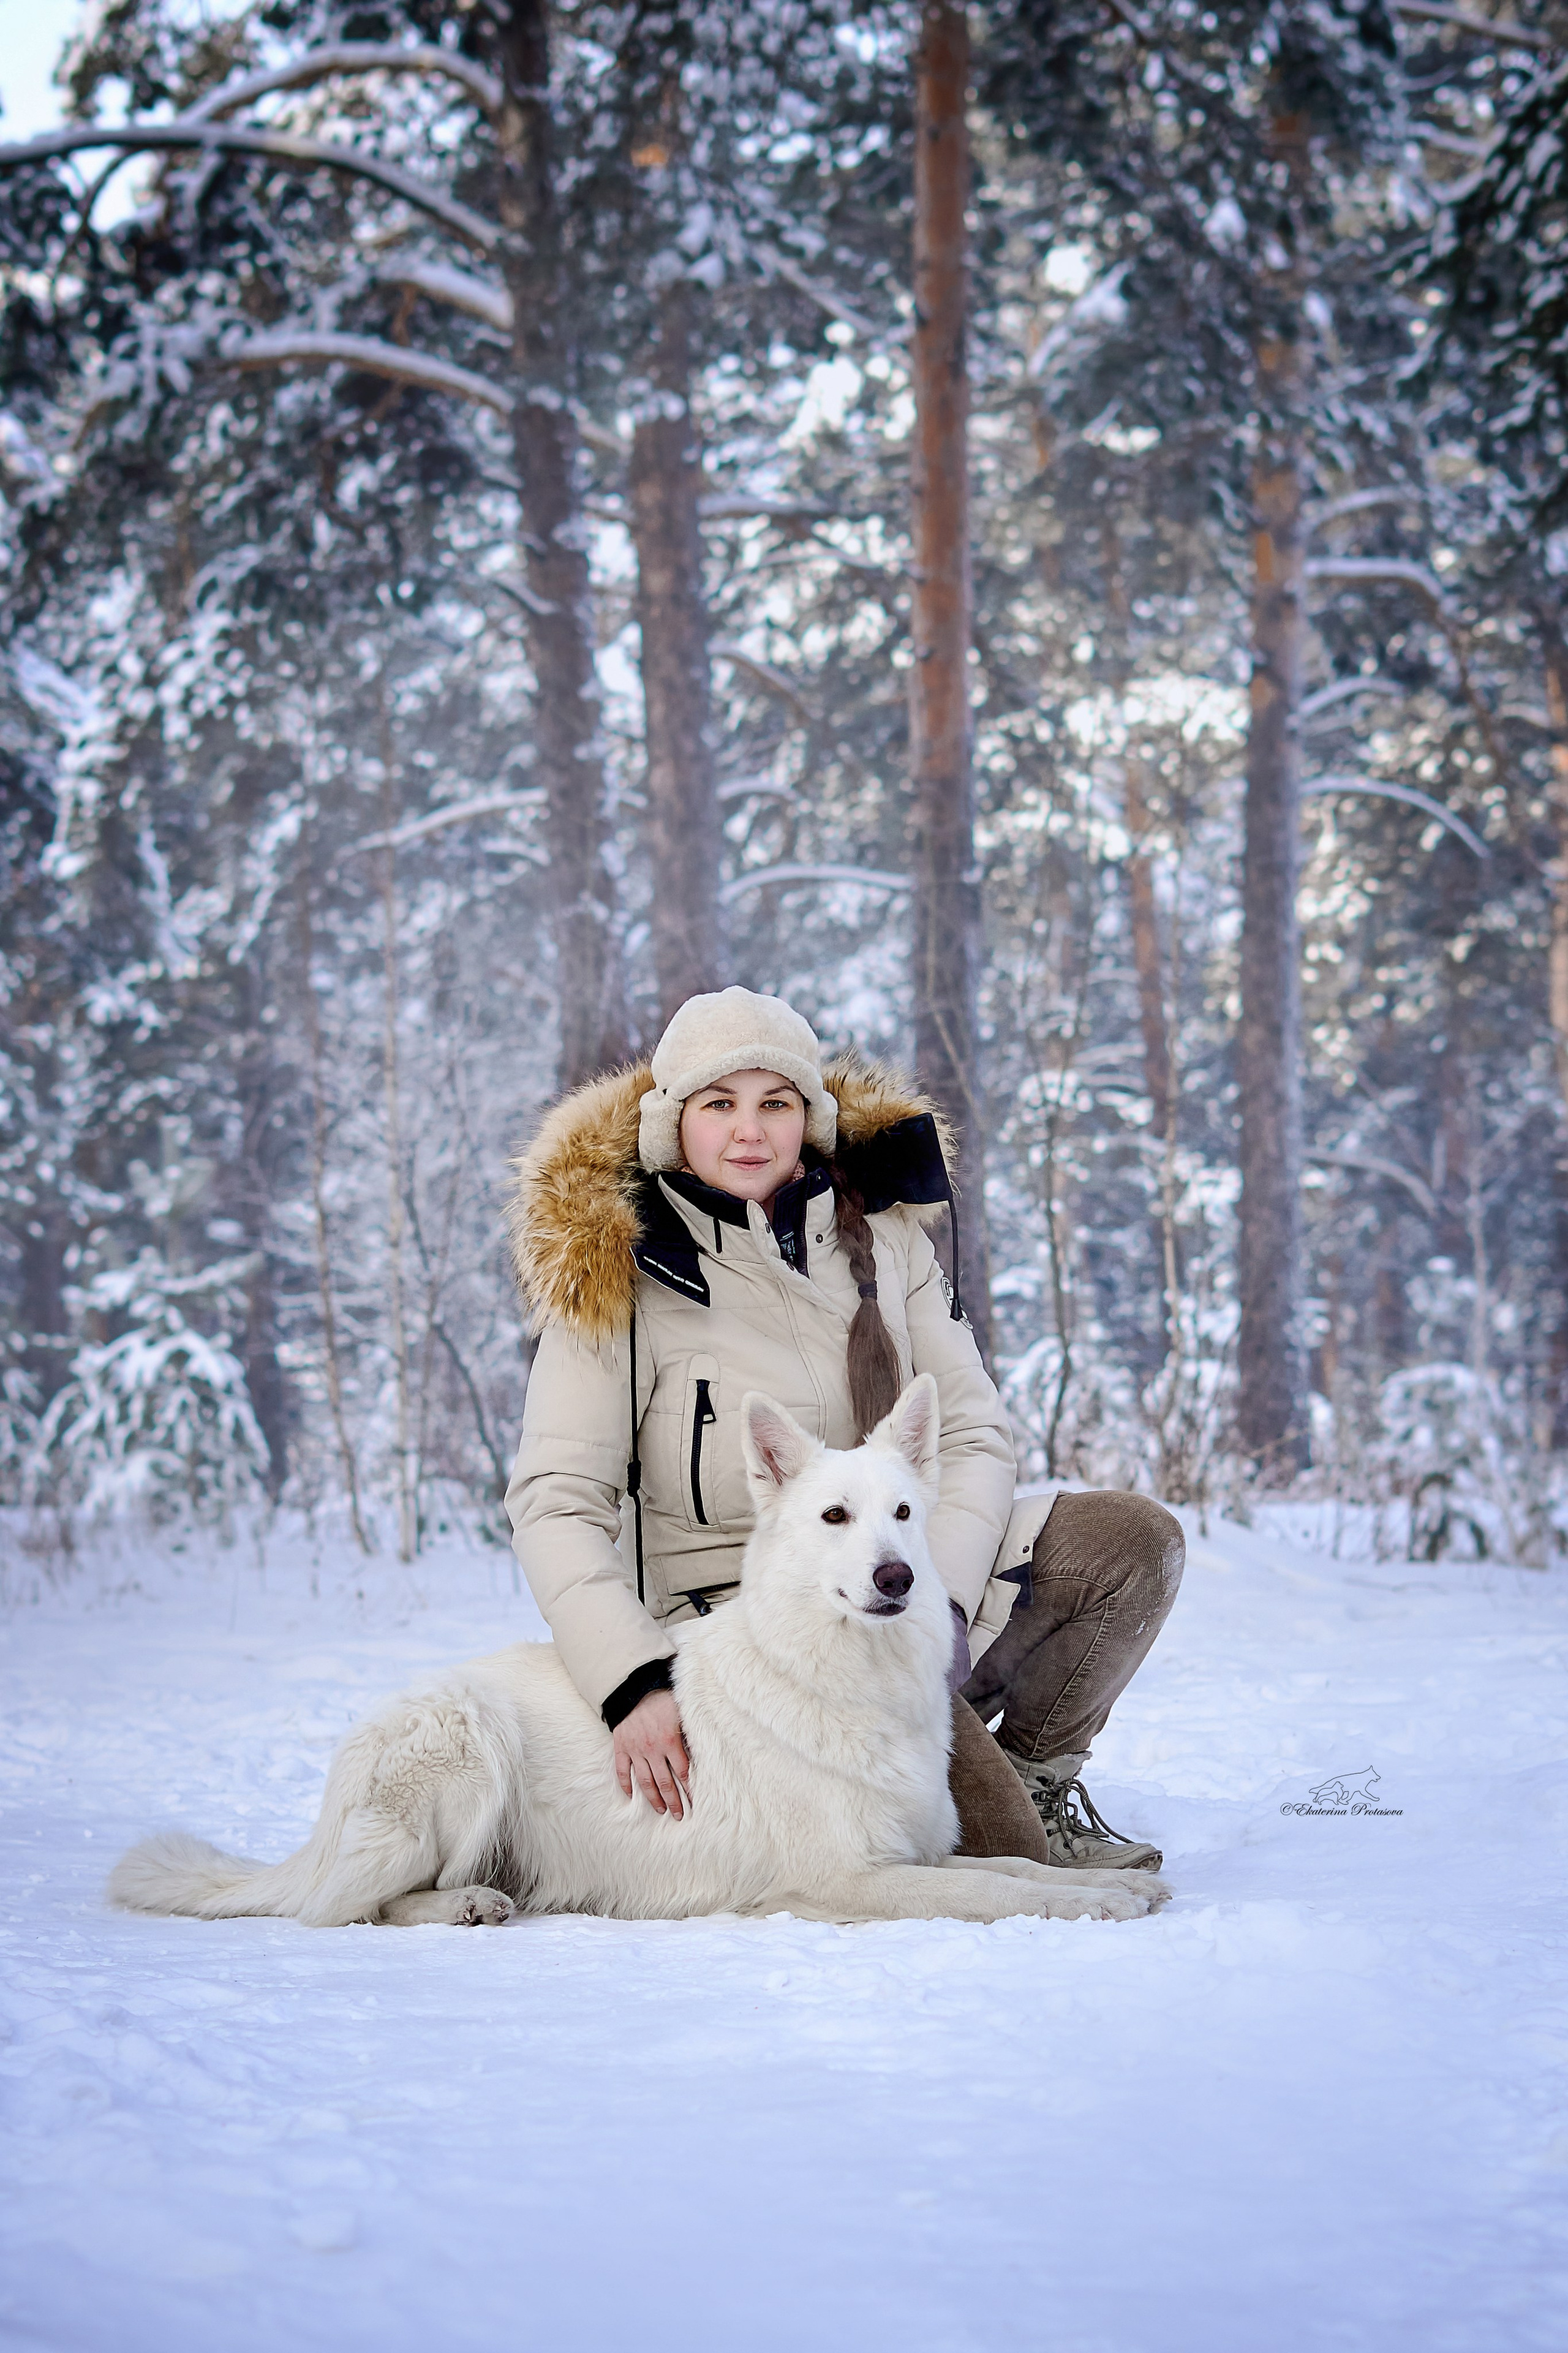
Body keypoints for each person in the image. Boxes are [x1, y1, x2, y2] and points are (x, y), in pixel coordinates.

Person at [505, 988, 1183, 1870]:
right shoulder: (621, 1274)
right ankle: (1002, 1814)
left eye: (774, 1103)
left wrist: (939, 1596)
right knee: (1003, 1857)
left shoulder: (888, 1239)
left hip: (904, 1589)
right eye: (720, 1104)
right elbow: (556, 1503)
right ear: (674, 1122)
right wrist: (630, 1682)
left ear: (809, 1118)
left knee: (1129, 1543)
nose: (749, 1131)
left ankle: (1030, 1777)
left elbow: (974, 1434)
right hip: (755, 1646)